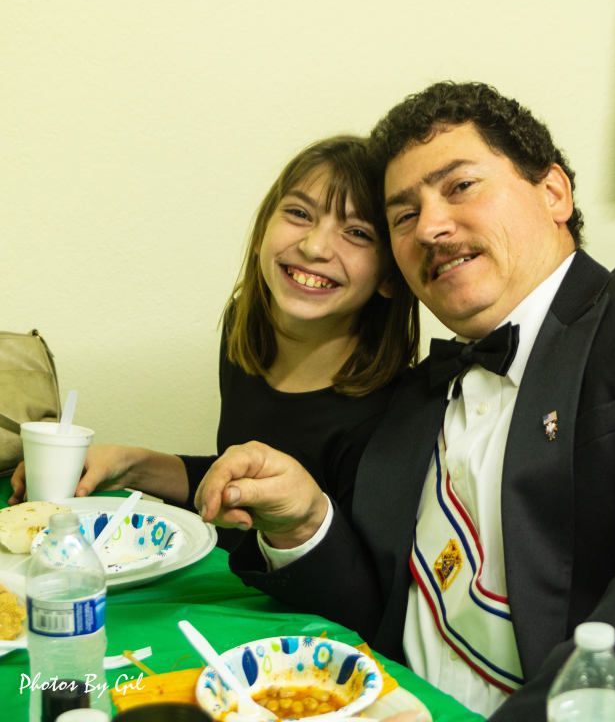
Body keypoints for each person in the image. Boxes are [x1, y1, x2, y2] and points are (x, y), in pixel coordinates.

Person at [195, 83, 615, 721]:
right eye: (403, 215)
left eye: (459, 187)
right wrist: (305, 522)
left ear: (554, 192)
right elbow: (372, 614)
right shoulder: (419, 394)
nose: (429, 226)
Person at [9, 135, 420, 553]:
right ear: (262, 232)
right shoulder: (246, 331)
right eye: (299, 213)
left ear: (390, 275)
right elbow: (234, 489)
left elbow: (369, 594)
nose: (314, 247)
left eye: (356, 232)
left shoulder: (395, 416)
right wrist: (127, 464)